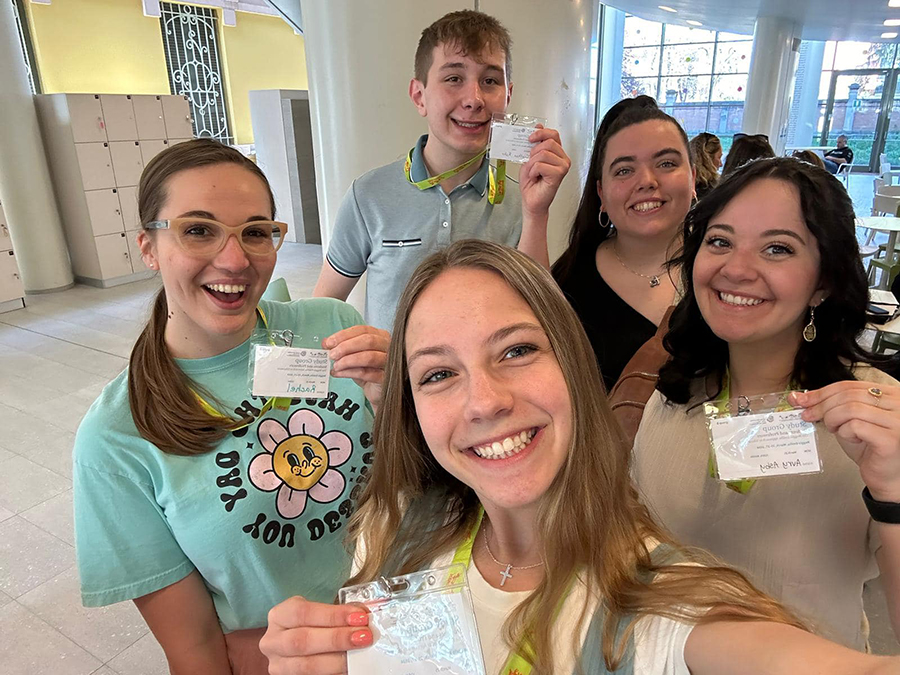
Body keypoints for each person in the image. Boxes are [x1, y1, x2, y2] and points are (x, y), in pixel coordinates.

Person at [259, 239, 900, 675]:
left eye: (515, 351)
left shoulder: (660, 610)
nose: (483, 402)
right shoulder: (396, 526)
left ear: (572, 363)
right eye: (436, 375)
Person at [72, 139, 388, 674]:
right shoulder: (116, 439)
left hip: (418, 630)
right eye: (198, 230)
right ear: (148, 246)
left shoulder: (333, 328)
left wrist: (405, 398)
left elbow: (430, 485)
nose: (235, 259)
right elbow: (195, 652)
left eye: (256, 232)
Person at [632, 156, 900, 650]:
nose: (736, 269)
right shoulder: (672, 395)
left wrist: (892, 490)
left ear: (824, 281)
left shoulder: (879, 418)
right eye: (720, 241)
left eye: (777, 248)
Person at [312, 9, 570, 332]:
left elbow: (539, 317)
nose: (474, 99)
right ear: (419, 96)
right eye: (453, 79)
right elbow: (322, 311)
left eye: (490, 81)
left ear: (508, 96)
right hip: (389, 381)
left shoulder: (523, 201)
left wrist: (537, 214)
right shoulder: (368, 195)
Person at [553, 96, 695, 391]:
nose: (646, 181)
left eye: (666, 163)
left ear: (693, 177)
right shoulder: (569, 283)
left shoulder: (729, 270)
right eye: (624, 170)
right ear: (601, 194)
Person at [689, 132, 722, 200]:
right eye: (719, 157)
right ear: (708, 159)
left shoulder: (682, 183)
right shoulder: (714, 191)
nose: (721, 164)